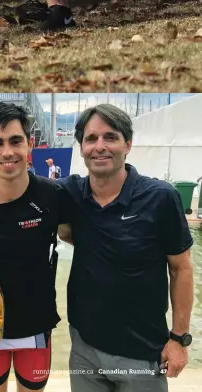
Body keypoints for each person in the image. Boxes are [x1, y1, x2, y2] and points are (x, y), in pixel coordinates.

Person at [58, 104, 194, 390]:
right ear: (81, 147)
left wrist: (179, 338)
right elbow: (20, 190)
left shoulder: (160, 198)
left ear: (128, 144)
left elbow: (181, 268)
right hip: (84, 347)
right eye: (91, 139)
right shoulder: (70, 194)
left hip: (142, 354)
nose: (100, 147)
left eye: (110, 137)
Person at [0, 102, 71, 391]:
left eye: (16, 141)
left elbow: (85, 235)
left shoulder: (53, 195)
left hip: (36, 325)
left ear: (29, 144)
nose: (7, 152)